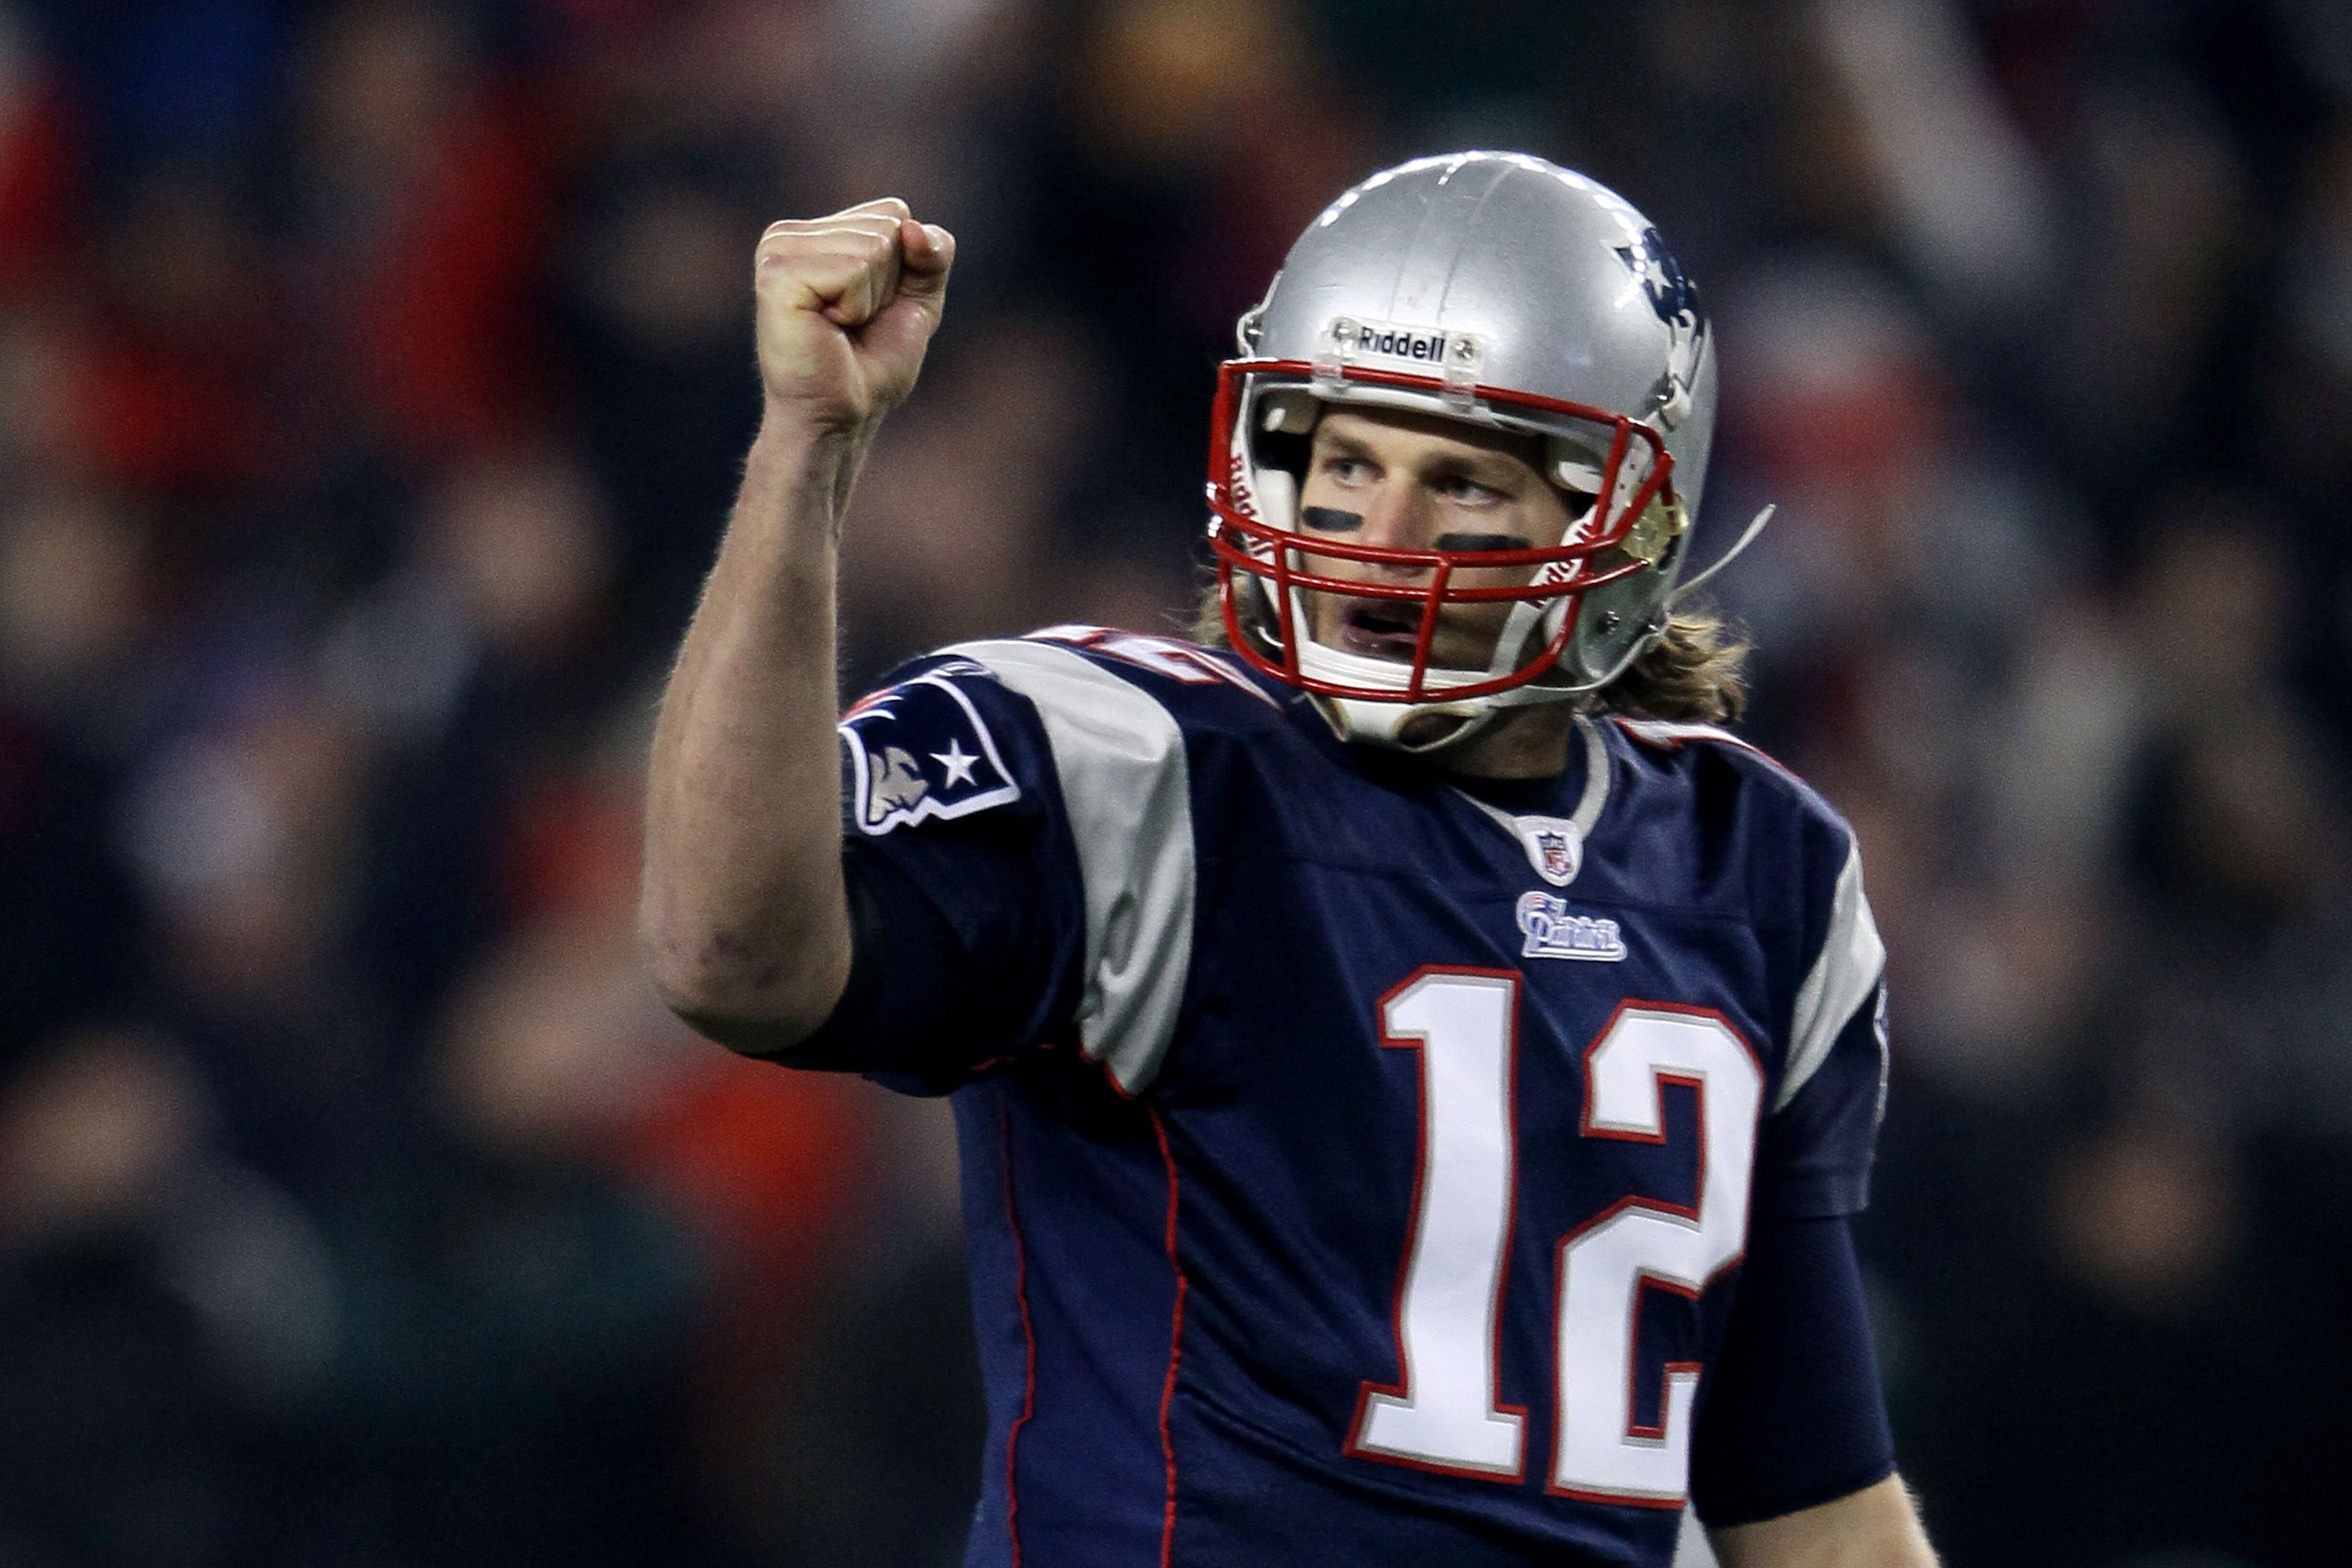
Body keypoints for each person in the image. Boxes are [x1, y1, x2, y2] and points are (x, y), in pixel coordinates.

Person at [639, 151, 1940, 1568]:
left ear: (1622, 526)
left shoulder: (1755, 866)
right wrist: (804, 454)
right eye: (1345, 461)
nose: (1384, 539)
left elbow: (1812, 1507)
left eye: (1462, 483)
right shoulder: (1142, 766)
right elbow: (734, 955)